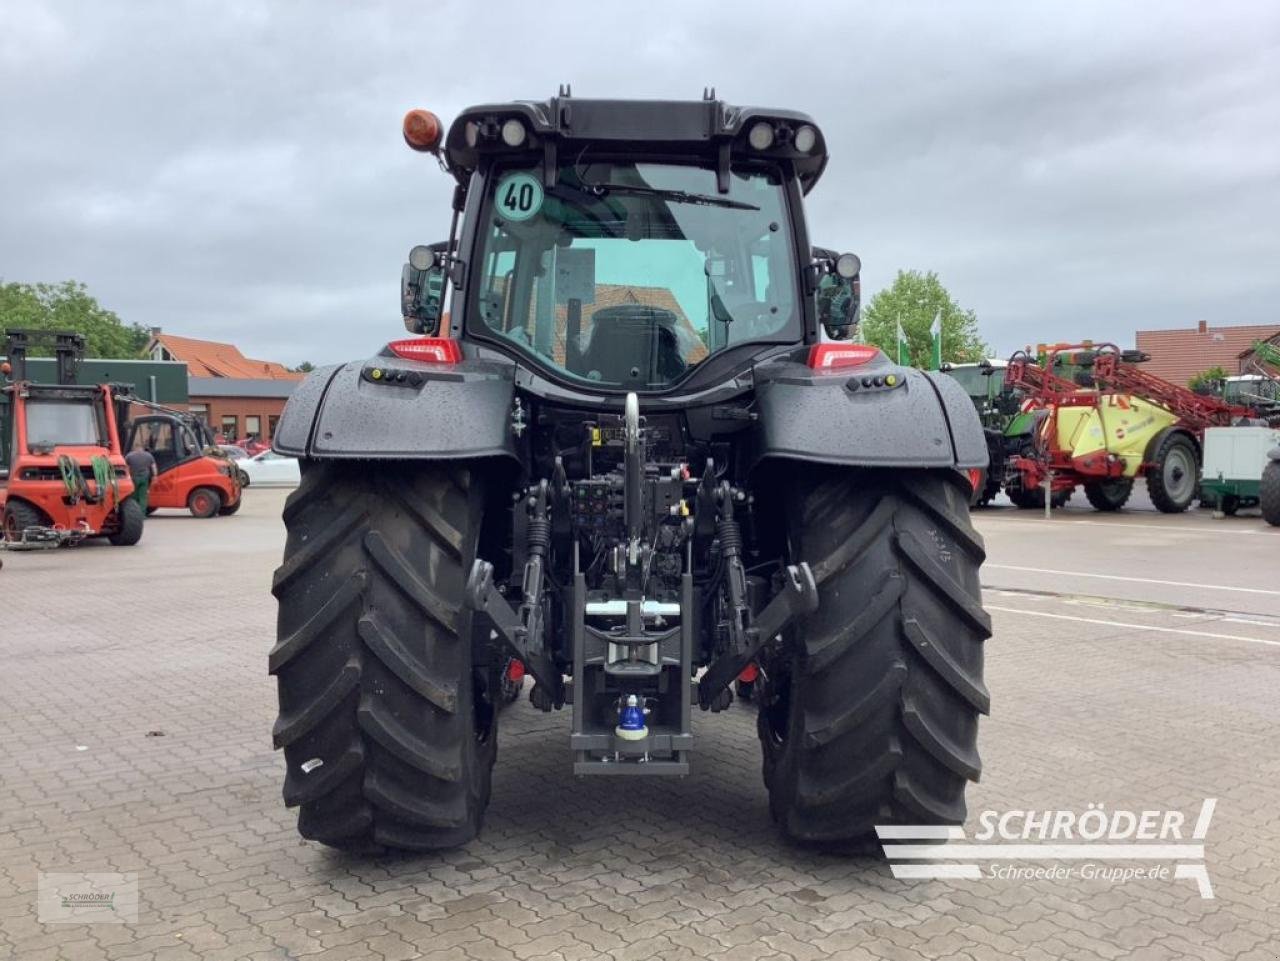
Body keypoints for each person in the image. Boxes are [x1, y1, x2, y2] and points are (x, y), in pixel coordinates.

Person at [125, 447, 158, 514]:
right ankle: (142, 514)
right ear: (142, 449)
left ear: (135, 449)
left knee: (133, 496)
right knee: (143, 496)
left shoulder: (129, 455)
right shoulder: (149, 455)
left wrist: (127, 477)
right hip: (144, 478)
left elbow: (126, 468)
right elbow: (153, 467)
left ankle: (134, 513)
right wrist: (155, 476)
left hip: (133, 478)